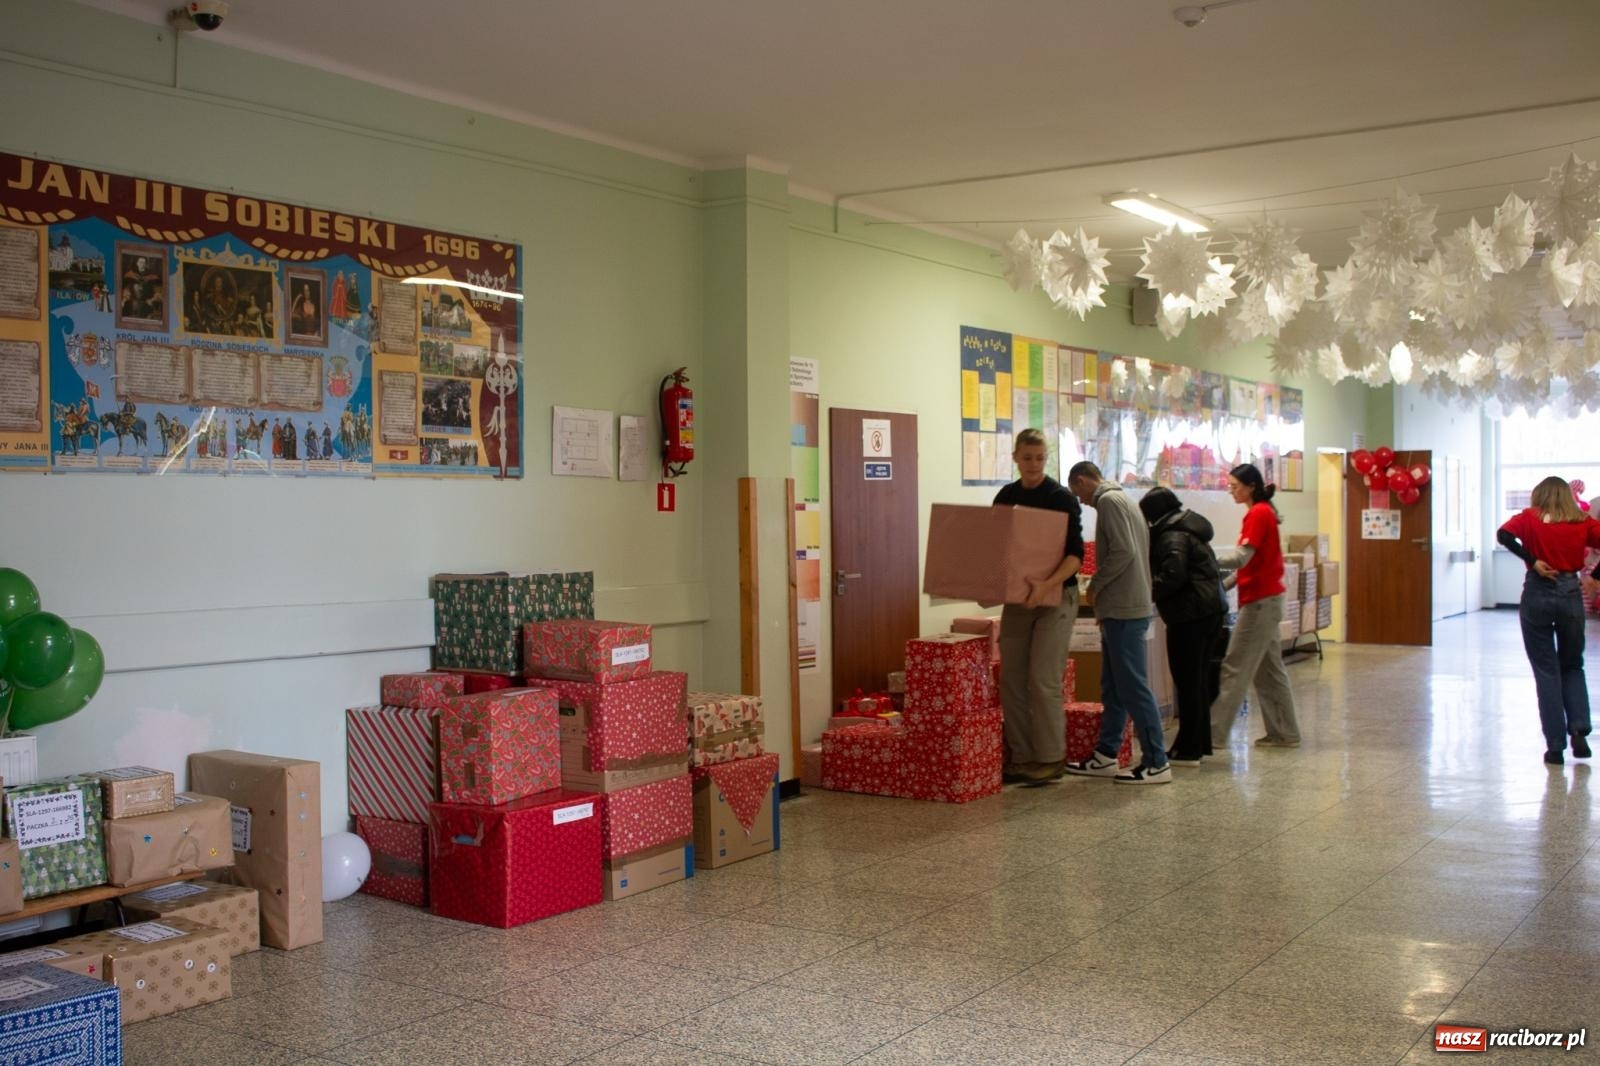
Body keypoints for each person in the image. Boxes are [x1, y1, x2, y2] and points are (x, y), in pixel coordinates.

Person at [1063, 461, 1170, 785]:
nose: (1080, 501)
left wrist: (1096, 584)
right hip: (1120, 607)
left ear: (1082, 481)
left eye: (1077, 493)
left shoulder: (1109, 501)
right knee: (1113, 687)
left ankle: (1156, 761)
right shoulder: (1124, 499)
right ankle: (1106, 755)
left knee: (1133, 686)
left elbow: (1122, 552)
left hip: (1125, 608)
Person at [992, 429, 1086, 784]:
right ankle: (1022, 756)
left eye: (1040, 458)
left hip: (1056, 595)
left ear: (1046, 458)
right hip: (1018, 597)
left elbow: (1075, 554)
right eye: (1027, 457)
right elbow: (998, 546)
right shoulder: (1007, 495)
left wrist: (1048, 583)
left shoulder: (1060, 497)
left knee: (1043, 679)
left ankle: (1050, 758)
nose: (1033, 464)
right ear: (1015, 457)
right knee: (1012, 679)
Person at [1498, 476, 1600, 765]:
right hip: (1569, 593)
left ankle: (1555, 747)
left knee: (1546, 670)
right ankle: (1579, 728)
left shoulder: (1529, 518)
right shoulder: (1581, 521)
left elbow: (1503, 535)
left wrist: (1533, 559)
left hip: (1537, 591)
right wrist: (1594, 576)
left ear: (1539, 496)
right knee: (1572, 664)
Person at [1209, 464, 1301, 750]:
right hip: (1267, 599)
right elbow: (1249, 565)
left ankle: (1213, 735)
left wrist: (1203, 557)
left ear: (1251, 486)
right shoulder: (1261, 512)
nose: (1231, 490)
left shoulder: (1259, 513)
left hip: (1260, 604)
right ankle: (1285, 732)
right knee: (1269, 672)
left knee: (1234, 667)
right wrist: (1220, 587)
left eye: (1235, 486)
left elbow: (1240, 558)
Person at [1139, 486, 1226, 765]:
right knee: (1197, 682)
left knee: (1187, 683)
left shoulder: (1172, 535)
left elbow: (1172, 576)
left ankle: (1188, 748)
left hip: (1190, 616)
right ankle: (1198, 743)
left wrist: (1142, 591)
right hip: (1209, 612)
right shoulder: (1190, 528)